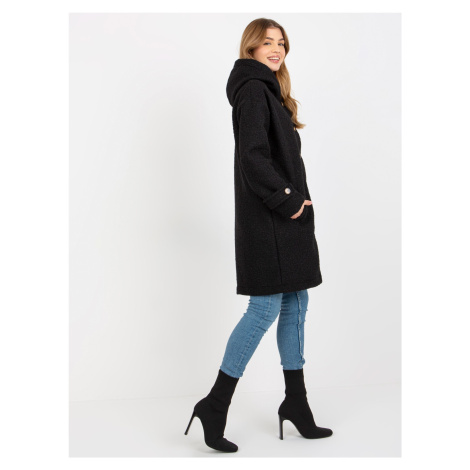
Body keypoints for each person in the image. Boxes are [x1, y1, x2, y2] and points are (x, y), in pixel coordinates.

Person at [184, 18, 333, 453]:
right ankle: (215, 403)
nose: (276, 49)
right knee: (264, 308)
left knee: (296, 302)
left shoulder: (270, 91)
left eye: (281, 43)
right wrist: (290, 200)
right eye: (267, 42)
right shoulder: (253, 89)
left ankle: (296, 403)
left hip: (285, 219)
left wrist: (294, 205)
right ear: (250, 47)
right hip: (271, 220)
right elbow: (253, 158)